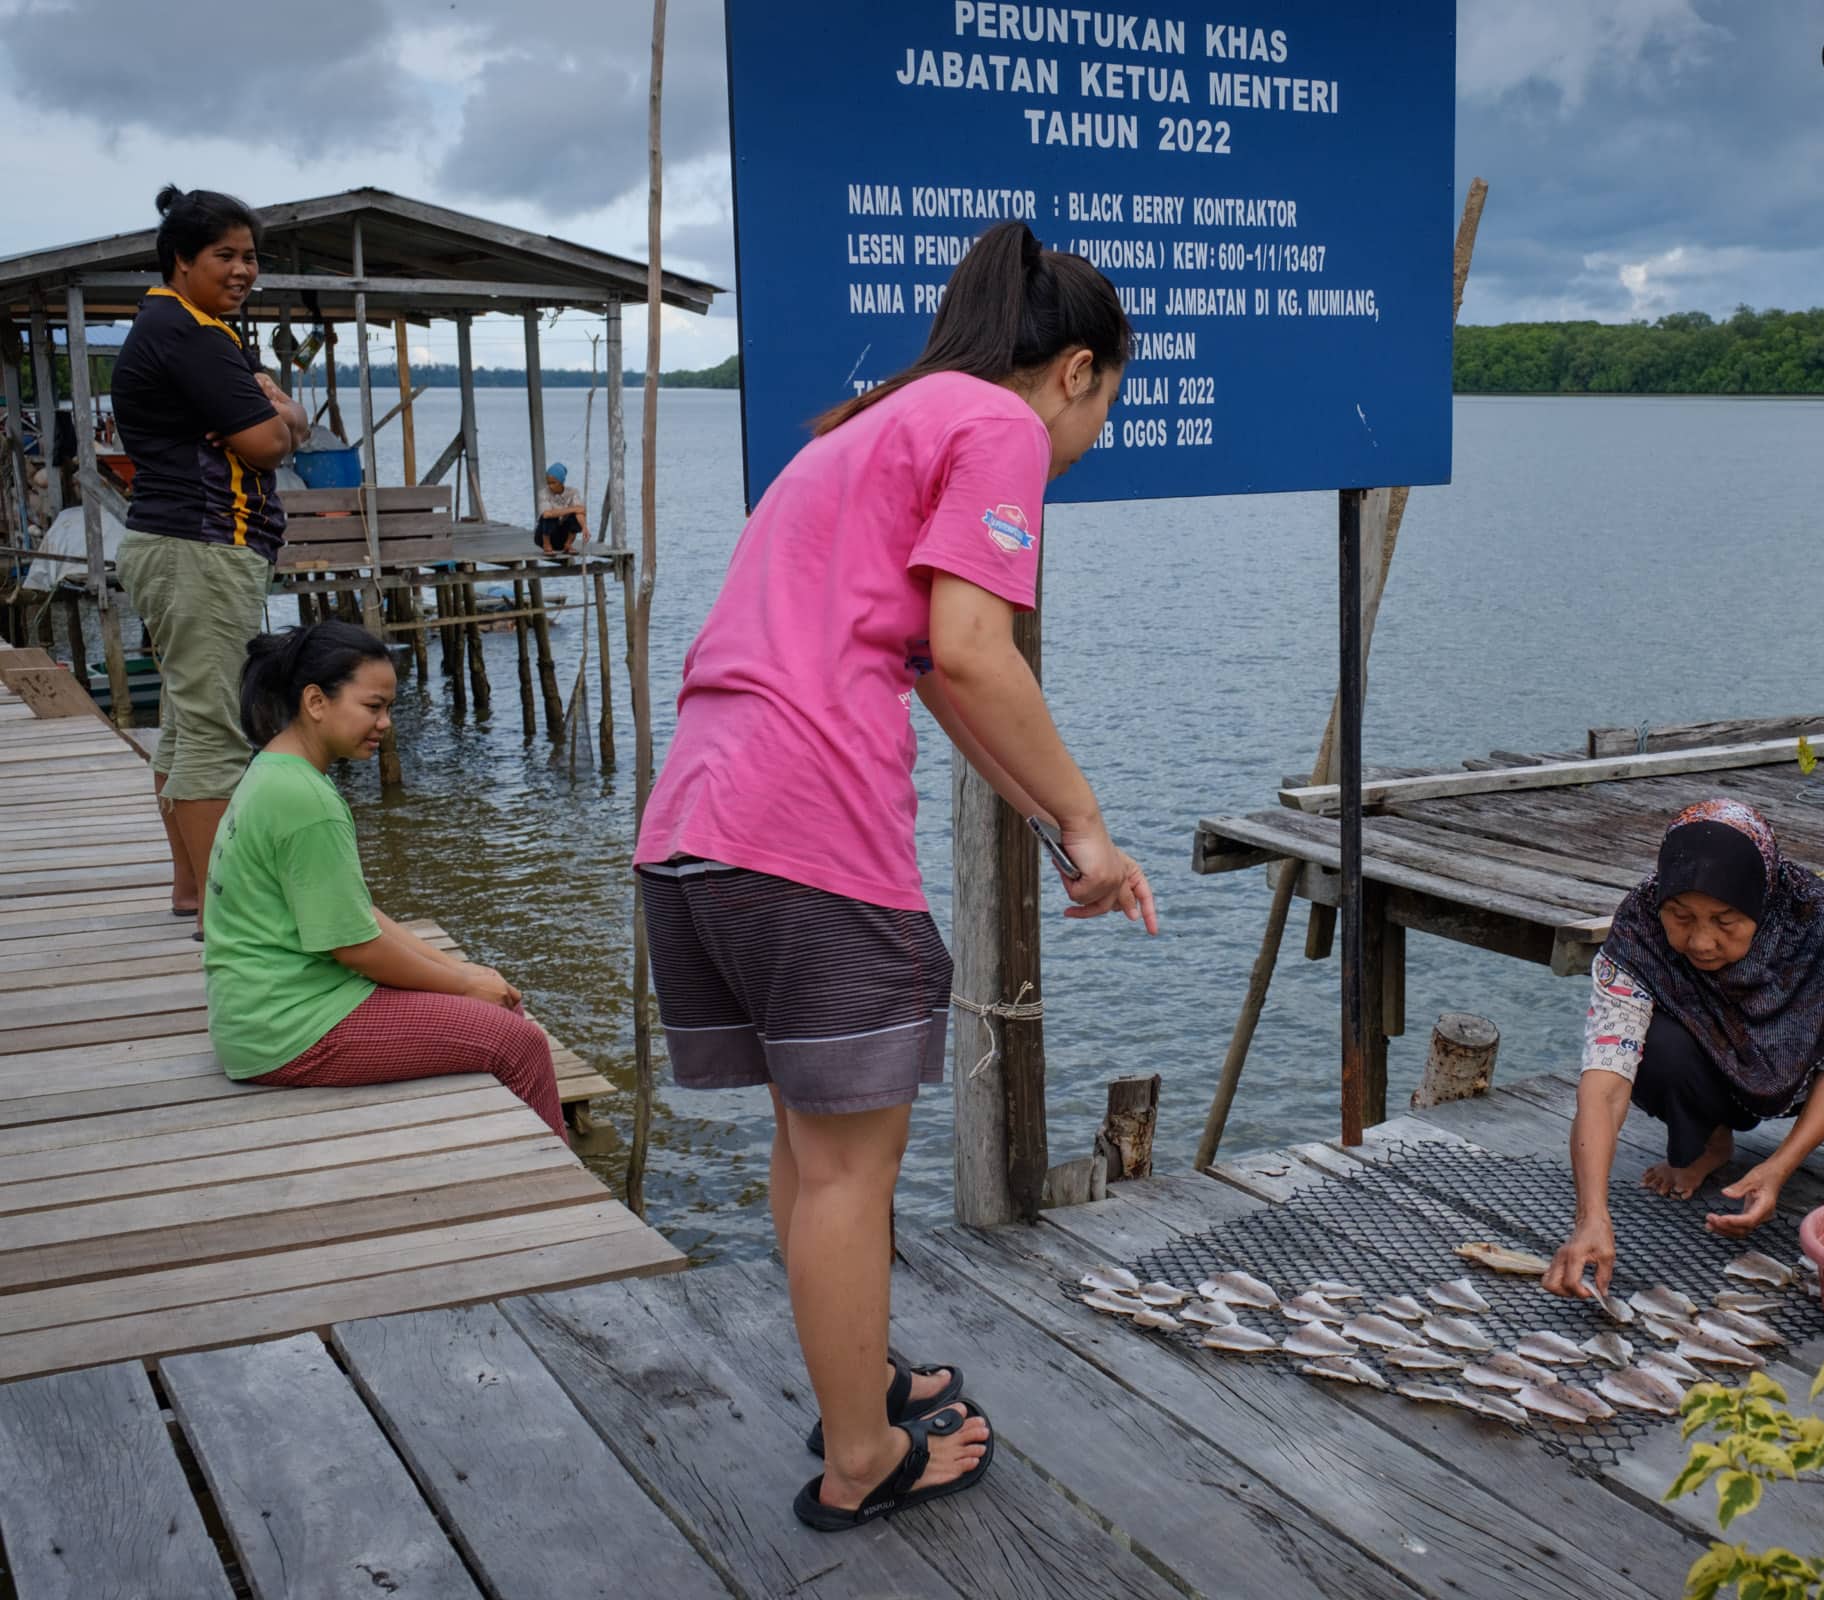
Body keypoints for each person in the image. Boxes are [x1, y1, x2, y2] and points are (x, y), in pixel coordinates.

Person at [635, 220, 1153, 1532]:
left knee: (813, 1148)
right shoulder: (998, 427)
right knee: (854, 1167)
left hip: (697, 824)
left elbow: (940, 677)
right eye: (1108, 403)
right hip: (807, 835)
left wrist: (1065, 831)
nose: (1088, 439)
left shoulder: (864, 428)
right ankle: (862, 1456)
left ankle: (851, 1373)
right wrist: (1094, 816)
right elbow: (981, 653)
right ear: (1077, 371)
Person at [1544, 798, 1824, 1301]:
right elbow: (1604, 1085)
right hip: (1713, 1066)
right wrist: (1590, 1217)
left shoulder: (1813, 914)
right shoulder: (1637, 936)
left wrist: (1780, 1167)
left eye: (1725, 920)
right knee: (1652, 1043)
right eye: (1681, 916)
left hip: (1813, 1061)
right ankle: (1709, 1140)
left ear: (1760, 903)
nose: (1701, 941)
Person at [203, 621, 565, 1137]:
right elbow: (357, 948)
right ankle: (553, 1190)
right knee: (518, 1042)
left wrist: (464, 973)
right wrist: (463, 983)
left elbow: (355, 913)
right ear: (316, 701)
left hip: (257, 1012)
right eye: (372, 707)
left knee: (495, 1002)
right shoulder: (308, 802)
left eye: (388, 708)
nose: (386, 724)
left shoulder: (273, 769)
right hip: (289, 1027)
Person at [112, 186, 309, 933]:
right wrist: (279, 417)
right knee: (218, 724)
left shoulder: (184, 328)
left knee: (190, 724)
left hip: (181, 546)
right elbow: (270, 441)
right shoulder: (188, 334)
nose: (242, 270)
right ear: (181, 259)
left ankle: (192, 890)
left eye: (250, 256)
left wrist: (279, 416)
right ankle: (227, 911)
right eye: (224, 255)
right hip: (199, 546)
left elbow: (281, 423)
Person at [534, 463, 585, 554]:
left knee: (575, 516)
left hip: (561, 537)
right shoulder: (543, 493)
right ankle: (547, 545)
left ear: (561, 481)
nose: (550, 486)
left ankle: (568, 545)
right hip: (543, 536)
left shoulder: (573, 492)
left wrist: (585, 528)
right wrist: (572, 509)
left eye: (553, 483)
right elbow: (547, 514)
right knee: (550, 515)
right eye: (548, 483)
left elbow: (580, 511)